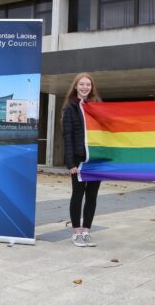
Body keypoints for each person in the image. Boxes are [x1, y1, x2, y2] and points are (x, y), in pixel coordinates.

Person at [62, 72, 102, 247]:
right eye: (82, 84)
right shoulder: (70, 108)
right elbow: (67, 136)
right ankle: (76, 232)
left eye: (88, 85)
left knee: (92, 196)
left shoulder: (97, 107)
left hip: (95, 159)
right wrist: (70, 163)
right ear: (76, 86)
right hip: (78, 160)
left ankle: (86, 232)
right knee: (77, 195)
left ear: (92, 87)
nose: (85, 87)